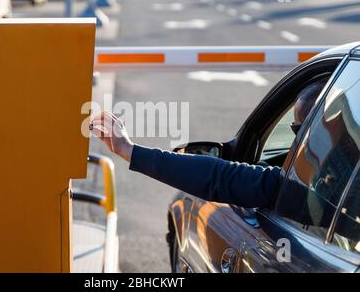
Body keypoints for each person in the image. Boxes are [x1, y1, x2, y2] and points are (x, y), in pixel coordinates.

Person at [90, 83, 325, 209]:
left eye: (299, 130)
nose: (297, 141)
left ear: (327, 128)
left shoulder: (315, 192)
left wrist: (129, 151)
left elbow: (218, 178)